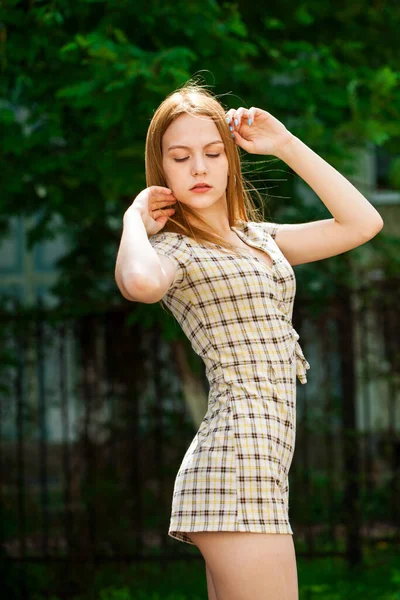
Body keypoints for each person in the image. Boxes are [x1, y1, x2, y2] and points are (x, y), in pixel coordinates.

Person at [115, 82, 384, 600]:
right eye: (181, 156)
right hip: (236, 462)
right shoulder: (175, 249)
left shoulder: (259, 238)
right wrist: (134, 219)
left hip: (261, 462)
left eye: (213, 153)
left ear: (230, 161)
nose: (199, 167)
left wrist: (285, 144)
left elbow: (363, 222)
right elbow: (141, 285)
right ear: (161, 169)